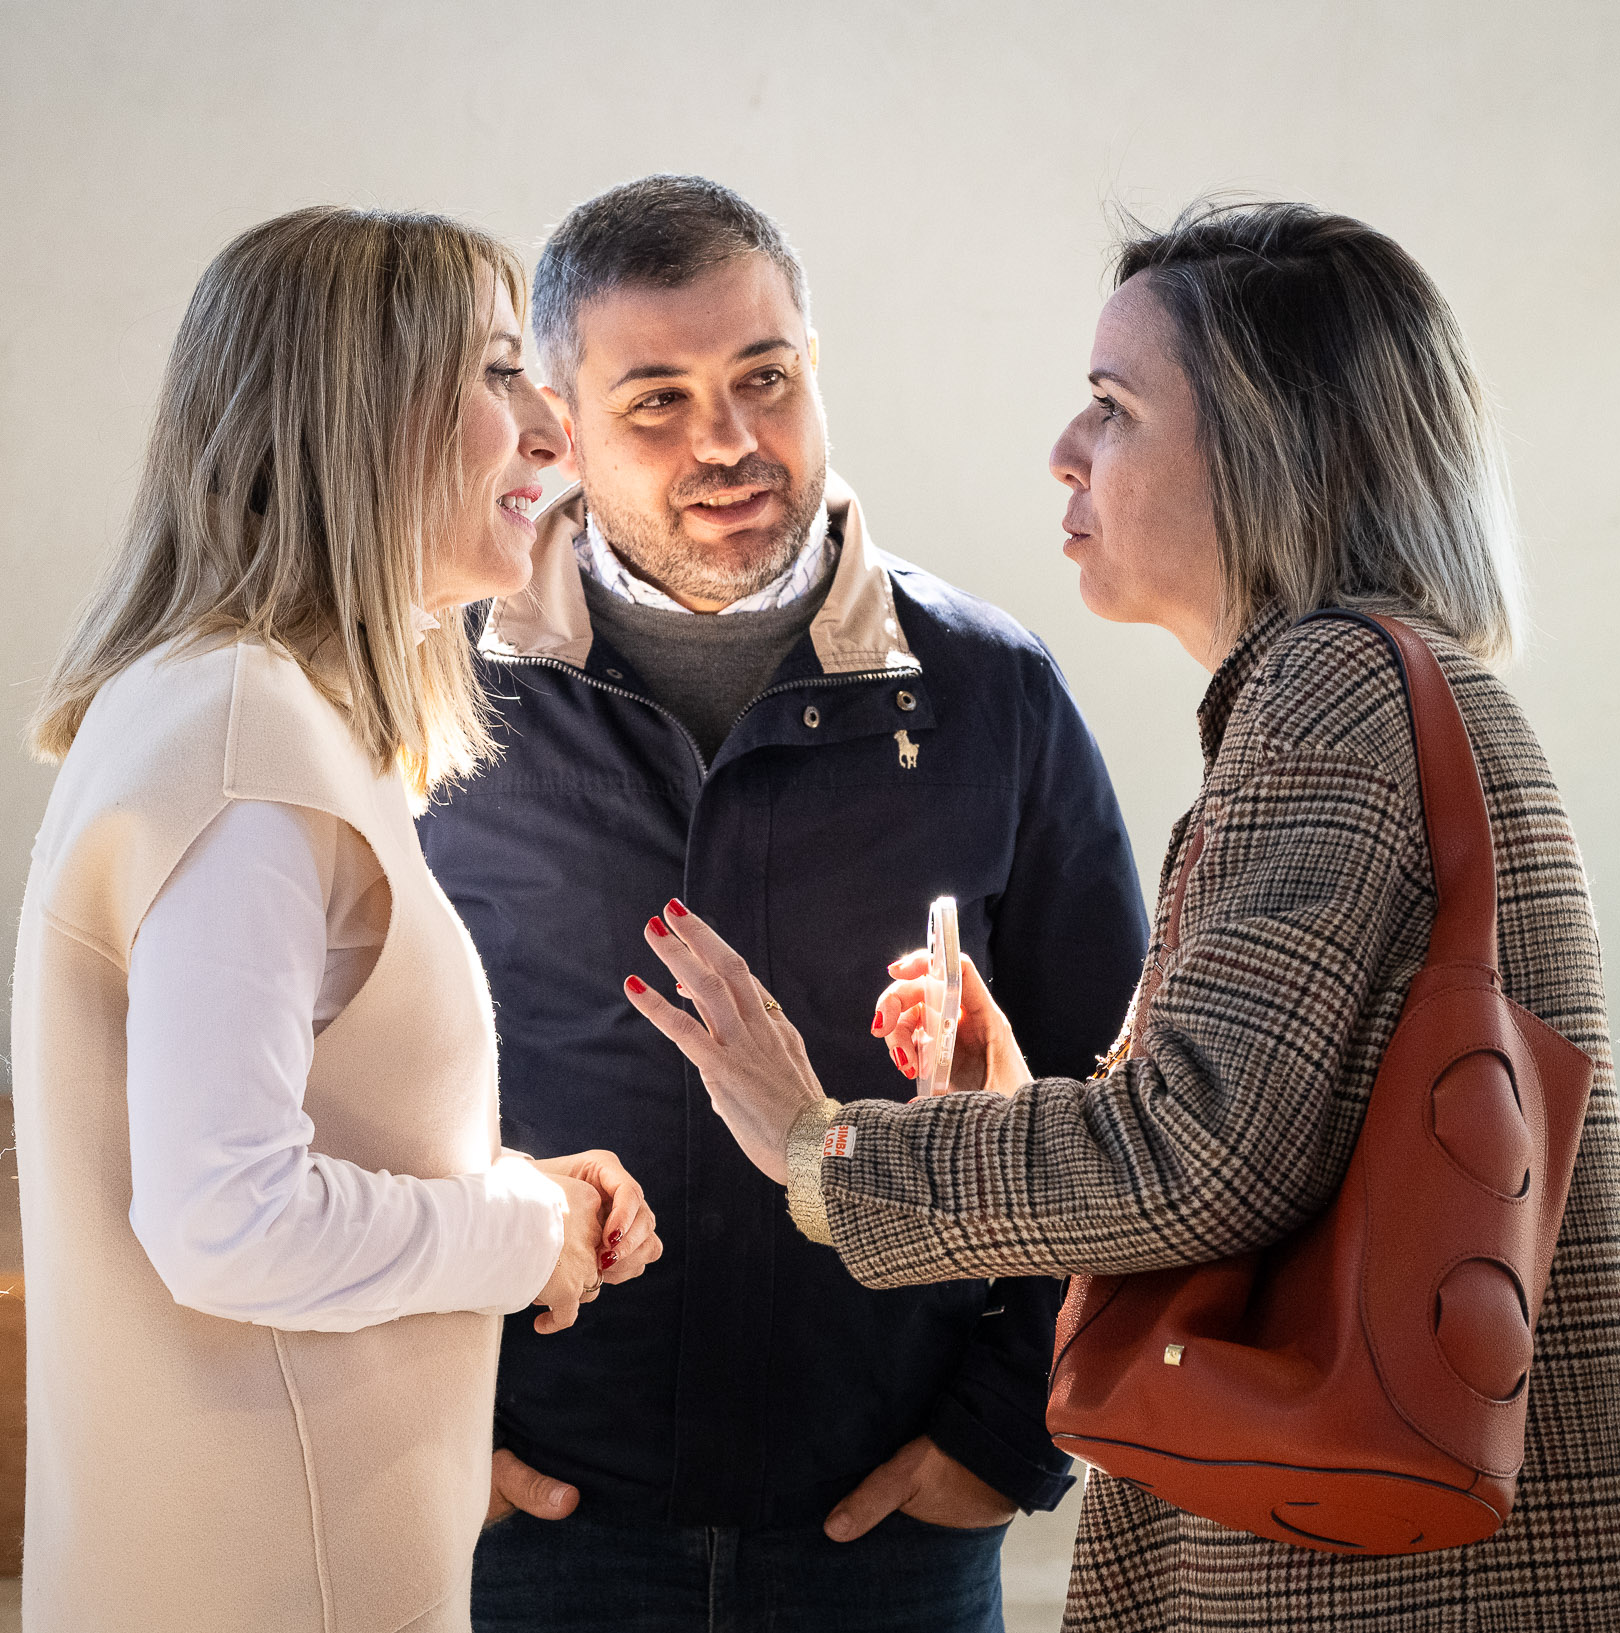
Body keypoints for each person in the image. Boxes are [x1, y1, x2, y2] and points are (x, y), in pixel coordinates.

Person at [627, 201, 1620, 1631]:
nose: (1063, 452)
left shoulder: (1331, 693)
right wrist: (1011, 1092)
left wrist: (818, 1144)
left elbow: (1198, 1162)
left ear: (1267, 446)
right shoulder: (1373, 684)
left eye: (1113, 409)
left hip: (1357, 1580)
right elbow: (1257, 1133)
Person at [417, 175, 1149, 1630]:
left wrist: (999, 1439)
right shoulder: (431, 695)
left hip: (883, 1523)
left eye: (765, 379)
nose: (731, 441)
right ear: (556, 420)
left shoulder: (988, 694)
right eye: (659, 401)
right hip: (535, 1518)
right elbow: (327, 1093)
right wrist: (431, 1427)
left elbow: (1115, 1101)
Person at [11, 207, 661, 1633]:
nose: (551, 432)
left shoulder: (235, 712)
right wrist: (511, 1227)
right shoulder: (245, 741)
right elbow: (225, 1221)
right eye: (499, 374)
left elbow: (262, 1132)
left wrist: (512, 1189)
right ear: (359, 414)